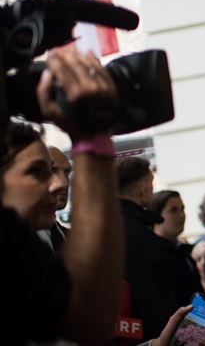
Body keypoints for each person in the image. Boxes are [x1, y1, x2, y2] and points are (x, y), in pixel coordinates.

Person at [1, 47, 122, 344]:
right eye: (37, 172)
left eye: (62, 173)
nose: (57, 185)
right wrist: (93, 140)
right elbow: (87, 317)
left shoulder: (25, 247)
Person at [118, 156, 198, 340]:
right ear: (143, 188)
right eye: (152, 184)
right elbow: (157, 299)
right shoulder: (141, 235)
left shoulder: (107, 228)